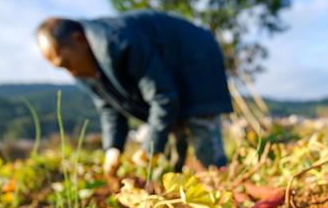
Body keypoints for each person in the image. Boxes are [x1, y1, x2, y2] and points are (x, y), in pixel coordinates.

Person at [36, 11, 233, 176]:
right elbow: (109, 107)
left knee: (202, 133)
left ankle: (223, 186)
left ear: (79, 39)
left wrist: (149, 148)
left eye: (66, 63)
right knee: (175, 142)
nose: (70, 73)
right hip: (171, 77)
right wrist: (113, 148)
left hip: (196, 61)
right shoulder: (85, 69)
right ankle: (180, 179)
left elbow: (162, 97)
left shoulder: (120, 41)